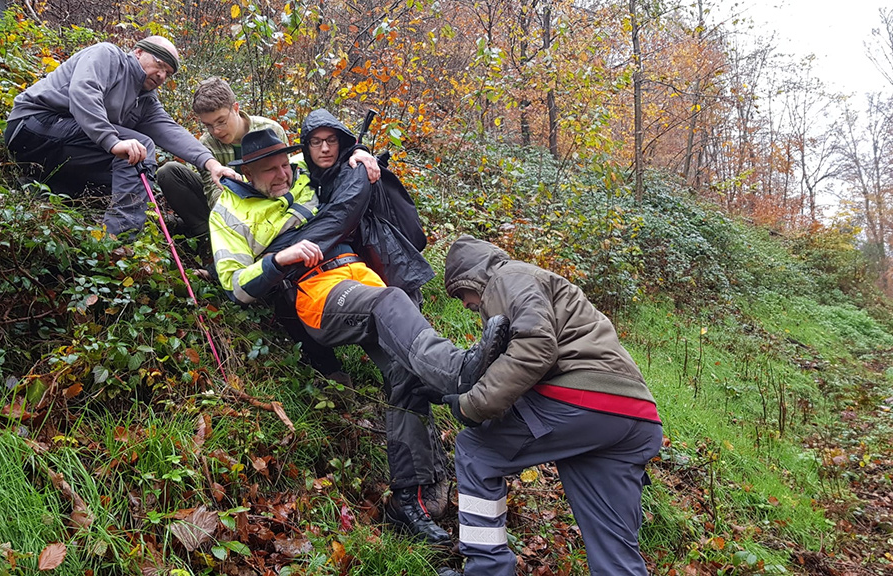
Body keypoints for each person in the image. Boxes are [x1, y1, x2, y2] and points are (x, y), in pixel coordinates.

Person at [208, 129, 511, 545]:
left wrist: (360, 155)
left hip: (359, 275)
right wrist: (280, 258)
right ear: (247, 173)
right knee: (389, 303)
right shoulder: (228, 210)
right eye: (271, 171)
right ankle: (458, 372)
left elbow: (335, 156)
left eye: (285, 165)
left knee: (405, 373)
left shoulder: (302, 174)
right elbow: (234, 285)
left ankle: (410, 500)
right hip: (314, 291)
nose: (284, 175)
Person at [437, 235, 664, 576]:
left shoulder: (505, 278)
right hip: (634, 415)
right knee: (614, 552)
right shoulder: (536, 281)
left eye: (461, 295)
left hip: (585, 399)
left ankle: (487, 570)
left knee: (475, 450)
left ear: (470, 278)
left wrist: (472, 405)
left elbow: (536, 347)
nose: (466, 304)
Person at [3, 36, 237, 237]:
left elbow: (171, 130)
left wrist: (211, 163)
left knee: (132, 176)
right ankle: (118, 242)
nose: (162, 75)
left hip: (59, 147)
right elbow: (83, 92)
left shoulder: (145, 100)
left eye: (168, 72)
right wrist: (111, 141)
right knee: (139, 149)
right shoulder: (107, 56)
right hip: (33, 125)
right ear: (138, 52)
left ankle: (38, 186)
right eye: (159, 64)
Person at [156, 78, 380, 242]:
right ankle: (205, 236)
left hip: (269, 207)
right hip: (227, 210)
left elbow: (287, 177)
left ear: (236, 108)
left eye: (221, 121)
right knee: (169, 172)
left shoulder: (270, 129)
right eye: (208, 125)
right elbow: (212, 193)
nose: (216, 130)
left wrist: (356, 151)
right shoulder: (207, 145)